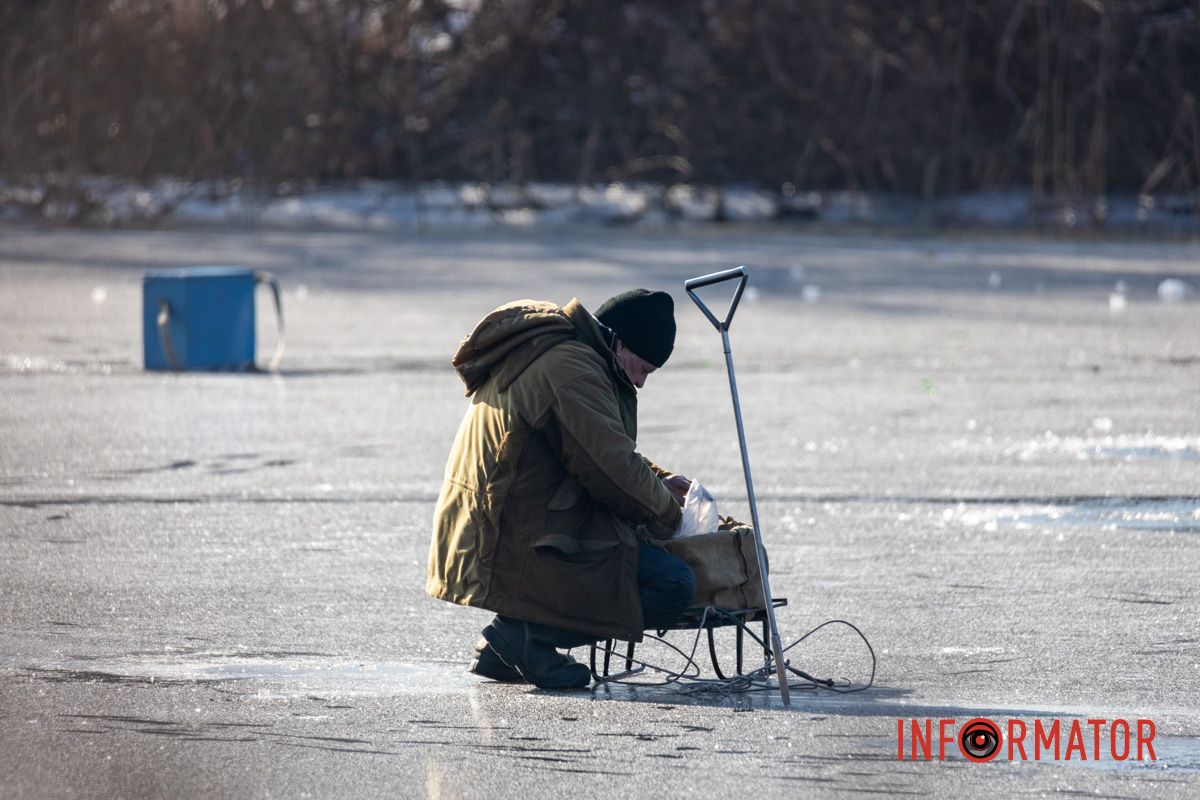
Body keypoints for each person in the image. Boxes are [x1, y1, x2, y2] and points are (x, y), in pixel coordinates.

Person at [427, 289, 697, 689]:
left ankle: (508, 644)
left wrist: (657, 483)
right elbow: (611, 470)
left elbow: (594, 448)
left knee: (643, 560)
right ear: (620, 342)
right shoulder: (572, 370)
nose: (639, 383)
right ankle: (525, 638)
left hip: (507, 518)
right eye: (642, 368)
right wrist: (672, 517)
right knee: (674, 583)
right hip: (515, 532)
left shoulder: (563, 349)